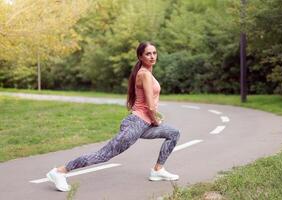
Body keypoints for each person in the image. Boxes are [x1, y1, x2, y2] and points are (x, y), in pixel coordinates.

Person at [46, 41, 181, 192]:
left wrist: (153, 119)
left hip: (144, 124)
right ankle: (60, 171)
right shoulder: (144, 74)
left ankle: (157, 170)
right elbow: (149, 105)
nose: (152, 56)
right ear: (140, 56)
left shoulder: (146, 73)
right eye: (148, 54)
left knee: (173, 133)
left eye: (154, 53)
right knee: (103, 156)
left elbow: (147, 105)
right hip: (136, 124)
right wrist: (155, 120)